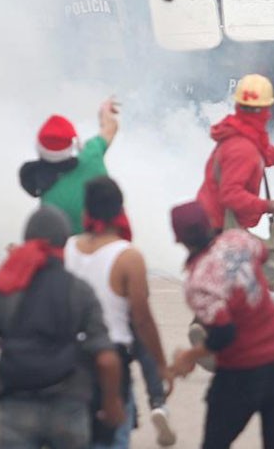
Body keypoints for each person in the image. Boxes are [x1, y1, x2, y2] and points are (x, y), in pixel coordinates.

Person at [0, 207, 125, 449]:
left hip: (14, 406)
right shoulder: (79, 290)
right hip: (68, 406)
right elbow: (107, 360)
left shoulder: (6, 288)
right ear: (64, 243)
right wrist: (111, 404)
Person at [169, 201, 274, 449]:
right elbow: (261, 254)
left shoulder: (198, 283)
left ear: (179, 239)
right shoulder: (239, 239)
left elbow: (223, 334)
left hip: (241, 374)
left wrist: (190, 355)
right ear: (209, 223)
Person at [65, 176, 173, 448]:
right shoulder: (128, 257)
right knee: (113, 435)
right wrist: (160, 365)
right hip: (110, 362)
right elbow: (142, 319)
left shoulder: (67, 248)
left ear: (85, 211)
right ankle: (156, 403)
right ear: (120, 209)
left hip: (67, 360)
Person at [195, 73, 274, 280]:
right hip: (216, 227)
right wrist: (269, 206)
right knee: (229, 296)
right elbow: (231, 195)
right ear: (266, 109)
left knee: (223, 299)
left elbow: (266, 151)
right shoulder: (243, 148)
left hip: (214, 223)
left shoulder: (243, 134)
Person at [19, 98, 119, 233]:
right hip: (108, 244)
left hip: (71, 251)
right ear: (72, 145)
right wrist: (104, 110)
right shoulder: (92, 155)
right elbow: (110, 127)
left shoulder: (46, 194)